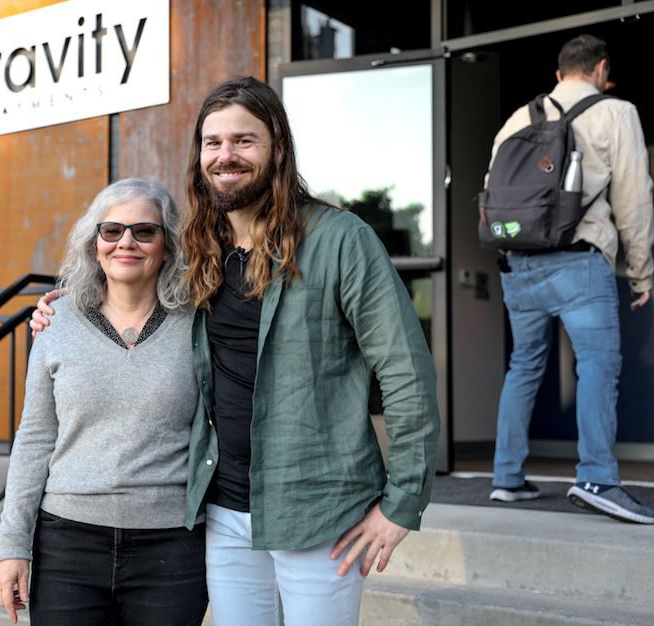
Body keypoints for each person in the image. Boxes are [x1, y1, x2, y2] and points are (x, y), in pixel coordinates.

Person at [33, 76, 440, 625]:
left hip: (319, 510)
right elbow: (126, 284)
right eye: (213, 142)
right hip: (224, 514)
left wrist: (402, 501)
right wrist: (63, 307)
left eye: (244, 141)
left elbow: (406, 371)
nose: (226, 155)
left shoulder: (340, 240)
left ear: (277, 148)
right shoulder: (199, 252)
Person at [0, 178, 208, 625]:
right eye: (111, 231)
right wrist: (11, 545)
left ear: (167, 246)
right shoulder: (56, 323)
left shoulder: (201, 326)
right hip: (67, 548)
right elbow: (34, 440)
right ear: (95, 245)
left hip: (170, 548)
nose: (125, 242)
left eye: (144, 231)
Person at [484, 34, 654, 524]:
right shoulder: (616, 112)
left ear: (558, 75)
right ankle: (597, 476)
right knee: (599, 365)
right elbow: (634, 197)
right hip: (579, 260)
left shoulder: (517, 119)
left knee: (524, 367)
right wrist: (642, 272)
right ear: (601, 70)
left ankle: (506, 478)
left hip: (519, 261)